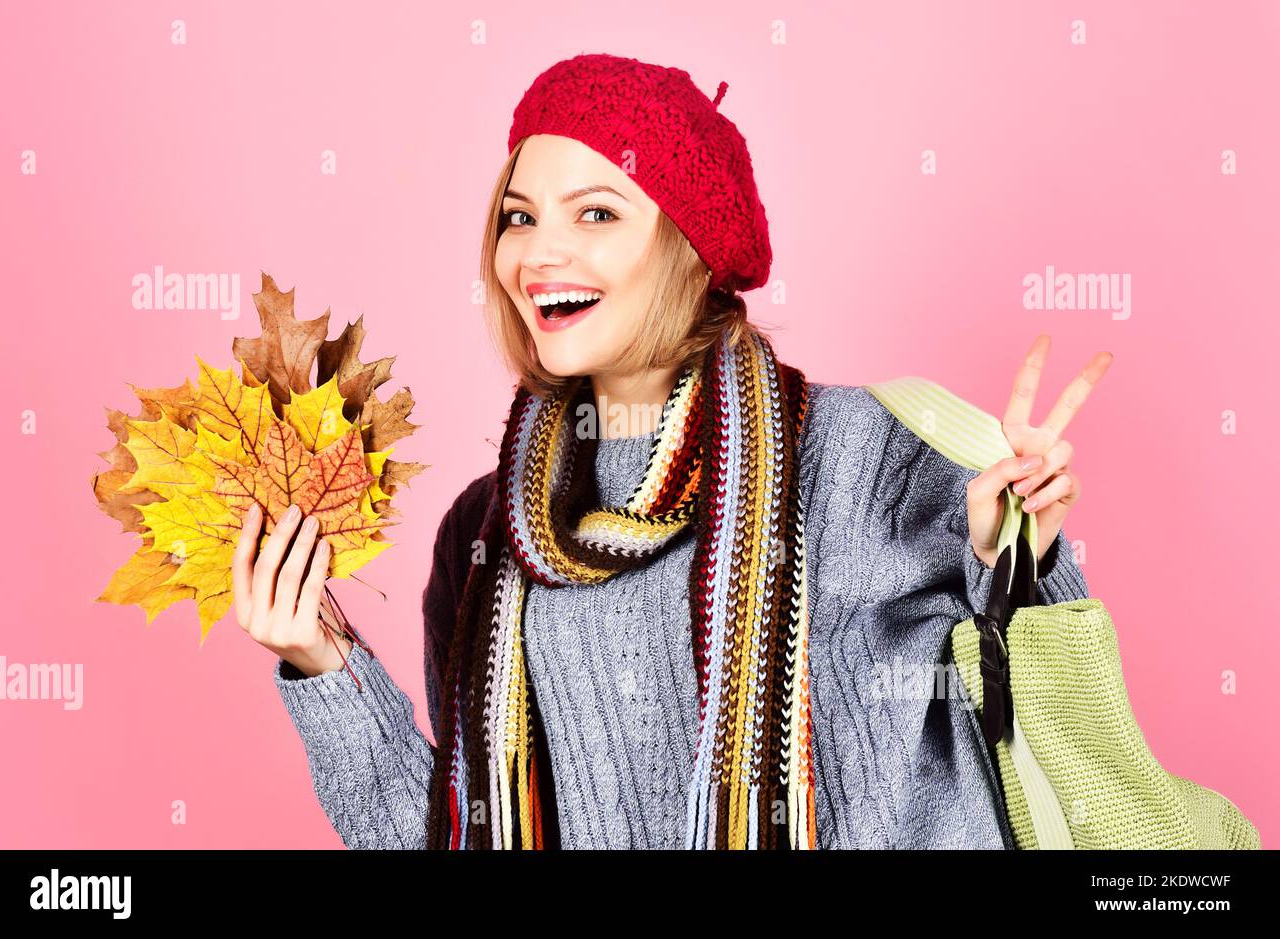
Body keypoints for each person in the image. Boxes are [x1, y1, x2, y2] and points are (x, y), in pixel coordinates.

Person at [232, 53, 1103, 850]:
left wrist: (1019, 548)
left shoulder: (862, 453)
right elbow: (449, 838)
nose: (539, 253)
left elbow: (1059, 706)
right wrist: (322, 657)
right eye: (518, 216)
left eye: (596, 213)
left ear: (691, 248)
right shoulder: (485, 533)